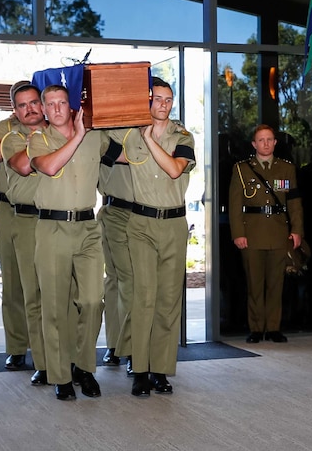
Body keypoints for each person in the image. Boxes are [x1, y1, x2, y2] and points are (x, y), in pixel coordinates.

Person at [103, 77, 195, 397]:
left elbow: (173, 169)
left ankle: (160, 370)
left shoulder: (183, 136)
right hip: (140, 224)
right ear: (147, 101)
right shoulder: (129, 137)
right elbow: (102, 151)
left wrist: (148, 139)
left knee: (168, 303)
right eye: (157, 99)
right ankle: (139, 369)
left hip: (173, 225)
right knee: (143, 297)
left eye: (169, 100)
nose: (164, 105)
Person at [28, 84, 104, 401]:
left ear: (70, 105)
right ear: (44, 110)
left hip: (87, 227)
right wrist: (77, 135)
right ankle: (60, 376)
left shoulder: (96, 138)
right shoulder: (37, 140)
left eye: (62, 102)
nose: (58, 108)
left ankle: (84, 368)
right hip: (52, 228)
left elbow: (125, 156)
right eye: (51, 104)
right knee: (56, 307)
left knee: (92, 300)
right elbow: (50, 166)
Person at [229, 124, 303, 344]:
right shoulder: (242, 169)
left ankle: (273, 327)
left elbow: (294, 203)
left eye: (270, 139)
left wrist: (297, 230)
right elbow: (234, 205)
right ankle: (256, 328)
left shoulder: (286, 169)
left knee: (276, 283)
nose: (266, 144)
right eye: (261, 140)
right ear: (254, 144)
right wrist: (238, 233)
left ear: (275, 143)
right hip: (252, 233)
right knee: (254, 283)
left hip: (279, 232)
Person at [0, 81, 32, 371]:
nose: (28, 108)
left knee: (40, 285)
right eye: (21, 104)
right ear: (14, 108)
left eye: (32, 102)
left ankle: (47, 349)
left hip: (40, 213)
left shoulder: (53, 125)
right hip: (8, 210)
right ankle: (17, 347)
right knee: (13, 284)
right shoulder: (7, 128)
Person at [98, 159, 135, 368]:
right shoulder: (105, 133)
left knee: (127, 281)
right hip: (114, 211)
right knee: (116, 280)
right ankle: (120, 346)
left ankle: (125, 346)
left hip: (140, 214)